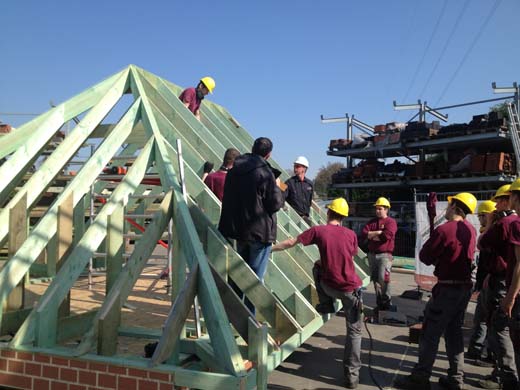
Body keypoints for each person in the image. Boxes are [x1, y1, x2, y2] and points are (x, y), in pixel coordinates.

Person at [272, 197, 362, 389]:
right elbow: (349, 254)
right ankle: (352, 377)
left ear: (328, 213)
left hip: (331, 287)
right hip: (352, 290)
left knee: (317, 267)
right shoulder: (350, 234)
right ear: (343, 217)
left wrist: (270, 249)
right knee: (354, 333)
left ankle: (325, 303)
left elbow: (291, 242)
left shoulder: (318, 231)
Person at [395, 192, 477, 390]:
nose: (446, 209)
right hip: (464, 289)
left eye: (449, 206)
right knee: (454, 333)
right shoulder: (471, 229)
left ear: (455, 207)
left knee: (430, 334)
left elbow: (425, 256)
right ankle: (456, 378)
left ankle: (421, 378)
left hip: (447, 290)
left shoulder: (445, 230)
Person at [218, 137, 284, 313]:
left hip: (238, 231)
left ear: (253, 149)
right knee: (255, 281)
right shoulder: (264, 172)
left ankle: (235, 316)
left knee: (240, 276)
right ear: (268, 154)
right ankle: (250, 322)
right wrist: (277, 188)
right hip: (259, 232)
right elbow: (274, 204)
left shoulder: (234, 170)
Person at [479, 184, 520, 390]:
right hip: (502, 279)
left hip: (503, 283)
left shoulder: (506, 223)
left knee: (499, 329)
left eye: (499, 200)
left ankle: (507, 377)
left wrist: (489, 223)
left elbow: (483, 242)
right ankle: (502, 373)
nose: (495, 205)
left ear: (507, 200)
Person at [466, 200, 496, 369]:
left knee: (490, 322)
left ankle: (488, 354)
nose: (480, 219)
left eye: (483, 216)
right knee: (480, 319)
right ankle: (476, 349)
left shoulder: (495, 235)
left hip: (491, 284)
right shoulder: (486, 233)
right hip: (485, 283)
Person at [360, 197, 397, 311]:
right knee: (376, 279)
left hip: (385, 255)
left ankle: (387, 302)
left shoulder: (391, 222)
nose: (377, 211)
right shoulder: (372, 222)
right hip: (372, 254)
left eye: (380, 209)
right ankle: (380, 303)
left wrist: (372, 235)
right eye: (376, 209)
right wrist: (378, 233)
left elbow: (386, 236)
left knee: (383, 278)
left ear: (386, 209)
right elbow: (364, 233)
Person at [284, 156, 314, 224]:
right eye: (294, 166)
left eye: (297, 166)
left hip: (306, 218)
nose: (295, 168)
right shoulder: (288, 182)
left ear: (304, 168)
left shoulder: (310, 184)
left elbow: (309, 201)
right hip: (294, 219)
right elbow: (281, 195)